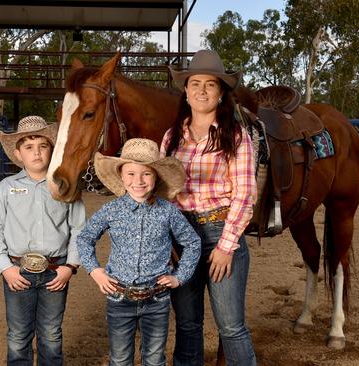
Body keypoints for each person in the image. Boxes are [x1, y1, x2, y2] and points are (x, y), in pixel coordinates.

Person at [161, 49, 258, 365]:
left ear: (220, 94)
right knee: (188, 325)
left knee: (230, 326)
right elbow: (163, 194)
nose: (201, 90)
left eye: (210, 85)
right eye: (194, 84)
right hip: (181, 234)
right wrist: (169, 239)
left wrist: (227, 247)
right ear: (186, 92)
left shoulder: (235, 136)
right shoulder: (172, 138)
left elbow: (244, 196)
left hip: (221, 231)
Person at [77, 138, 201, 366]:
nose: (139, 181)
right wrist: (95, 271)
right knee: (120, 358)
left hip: (157, 299)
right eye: (131, 174)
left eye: (146, 174)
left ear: (156, 177)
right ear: (122, 177)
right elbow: (85, 238)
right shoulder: (111, 210)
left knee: (154, 359)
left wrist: (179, 276)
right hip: (119, 297)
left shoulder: (168, 212)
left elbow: (192, 242)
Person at [0, 115, 86, 366]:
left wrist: (70, 266)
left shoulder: (66, 186)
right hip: (18, 271)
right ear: (18, 154)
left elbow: (79, 229)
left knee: (51, 333)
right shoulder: (6, 188)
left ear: (51, 149)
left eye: (43, 146)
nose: (36, 153)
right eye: (28, 147)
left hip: (56, 271)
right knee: (18, 334)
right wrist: (4, 267)